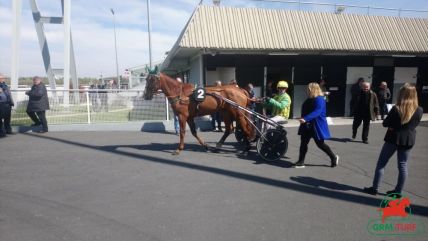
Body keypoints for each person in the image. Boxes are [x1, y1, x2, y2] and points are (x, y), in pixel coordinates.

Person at [364, 84, 423, 198]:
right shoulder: (419, 110)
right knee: (403, 166)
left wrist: (394, 126)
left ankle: (375, 188)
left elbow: (385, 123)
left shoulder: (397, 108)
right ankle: (398, 191)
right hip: (408, 139)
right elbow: (414, 124)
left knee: (381, 164)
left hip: (393, 138)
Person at [293, 82, 339, 168]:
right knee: (303, 143)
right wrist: (303, 117)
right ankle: (301, 161)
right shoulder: (310, 98)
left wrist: (305, 118)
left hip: (315, 124)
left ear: (313, 89)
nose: (307, 90)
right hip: (307, 124)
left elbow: (317, 111)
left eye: (308, 89)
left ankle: (333, 157)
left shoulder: (320, 99)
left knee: (320, 144)